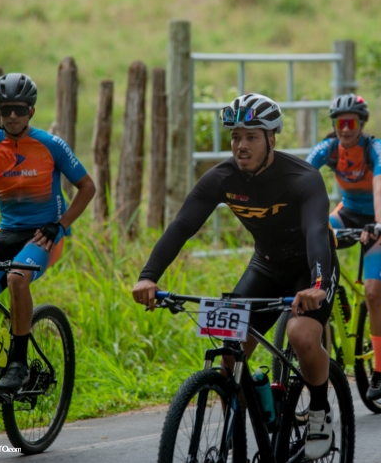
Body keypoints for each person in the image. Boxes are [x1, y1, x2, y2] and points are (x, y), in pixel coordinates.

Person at [132, 93, 339, 459]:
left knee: (301, 334)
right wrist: (148, 276)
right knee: (230, 350)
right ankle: (245, 423)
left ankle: (320, 412)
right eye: (235, 137)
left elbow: (316, 234)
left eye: (251, 137)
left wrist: (318, 286)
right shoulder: (221, 178)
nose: (241, 145)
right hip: (266, 266)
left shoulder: (302, 178)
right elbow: (181, 227)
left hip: (309, 270)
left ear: (271, 139)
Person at [0, 73, 95, 415]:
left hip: (44, 236)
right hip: (7, 235)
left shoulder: (51, 145)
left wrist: (61, 225)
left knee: (16, 277)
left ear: (31, 111)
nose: (13, 115)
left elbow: (88, 188)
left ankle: (19, 363)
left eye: (20, 109)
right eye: (6, 109)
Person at [306, 93, 381, 401]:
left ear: (362, 124)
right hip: (347, 213)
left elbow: (380, 185)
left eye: (352, 123)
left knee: (373, 293)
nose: (345, 128)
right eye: (340, 123)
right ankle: (336, 295)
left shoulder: (376, 148)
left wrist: (379, 223)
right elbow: (302, 177)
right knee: (313, 243)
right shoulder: (329, 148)